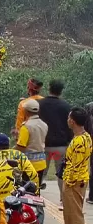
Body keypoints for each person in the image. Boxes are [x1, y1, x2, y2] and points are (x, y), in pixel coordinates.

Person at [61, 108, 92, 224]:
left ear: (72, 121)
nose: (67, 120)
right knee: (70, 212)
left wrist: (69, 181)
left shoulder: (80, 140)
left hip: (75, 181)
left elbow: (76, 164)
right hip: (76, 180)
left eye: (68, 118)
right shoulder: (84, 137)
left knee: (74, 212)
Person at [38, 79, 72, 209]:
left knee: (41, 171)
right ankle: (63, 200)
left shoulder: (40, 104)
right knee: (61, 173)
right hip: (60, 147)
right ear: (61, 91)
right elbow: (69, 126)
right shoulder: (65, 106)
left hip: (43, 145)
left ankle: (35, 196)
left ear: (49, 88)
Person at [0, 133, 40, 199]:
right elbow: (33, 174)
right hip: (16, 197)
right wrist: (36, 192)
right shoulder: (19, 155)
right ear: (9, 145)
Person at [15, 98, 48, 184]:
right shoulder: (44, 125)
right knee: (36, 188)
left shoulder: (26, 126)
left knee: (27, 191)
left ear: (26, 111)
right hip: (41, 163)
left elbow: (21, 147)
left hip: (29, 164)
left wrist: (12, 153)